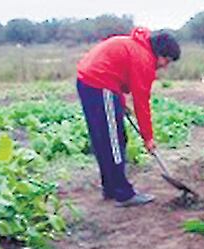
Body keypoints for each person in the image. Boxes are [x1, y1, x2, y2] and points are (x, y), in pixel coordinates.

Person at [76, 28, 179, 207]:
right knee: (115, 141)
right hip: (100, 84)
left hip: (90, 82)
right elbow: (141, 101)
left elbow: (117, 71)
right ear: (160, 53)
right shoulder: (144, 59)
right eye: (167, 60)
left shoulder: (136, 47)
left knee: (104, 139)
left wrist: (120, 102)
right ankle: (123, 193)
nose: (165, 66)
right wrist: (148, 138)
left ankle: (110, 188)